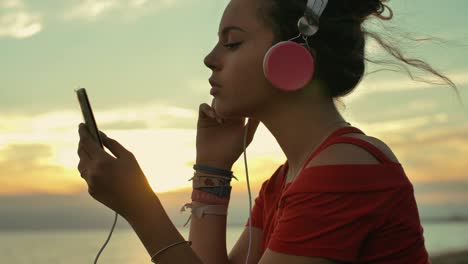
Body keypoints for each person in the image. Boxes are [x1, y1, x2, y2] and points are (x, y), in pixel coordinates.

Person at [77, 0, 460, 263]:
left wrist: (140, 208)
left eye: (232, 42)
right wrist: (211, 169)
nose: (210, 59)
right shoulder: (286, 182)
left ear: (289, 57)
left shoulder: (346, 170)